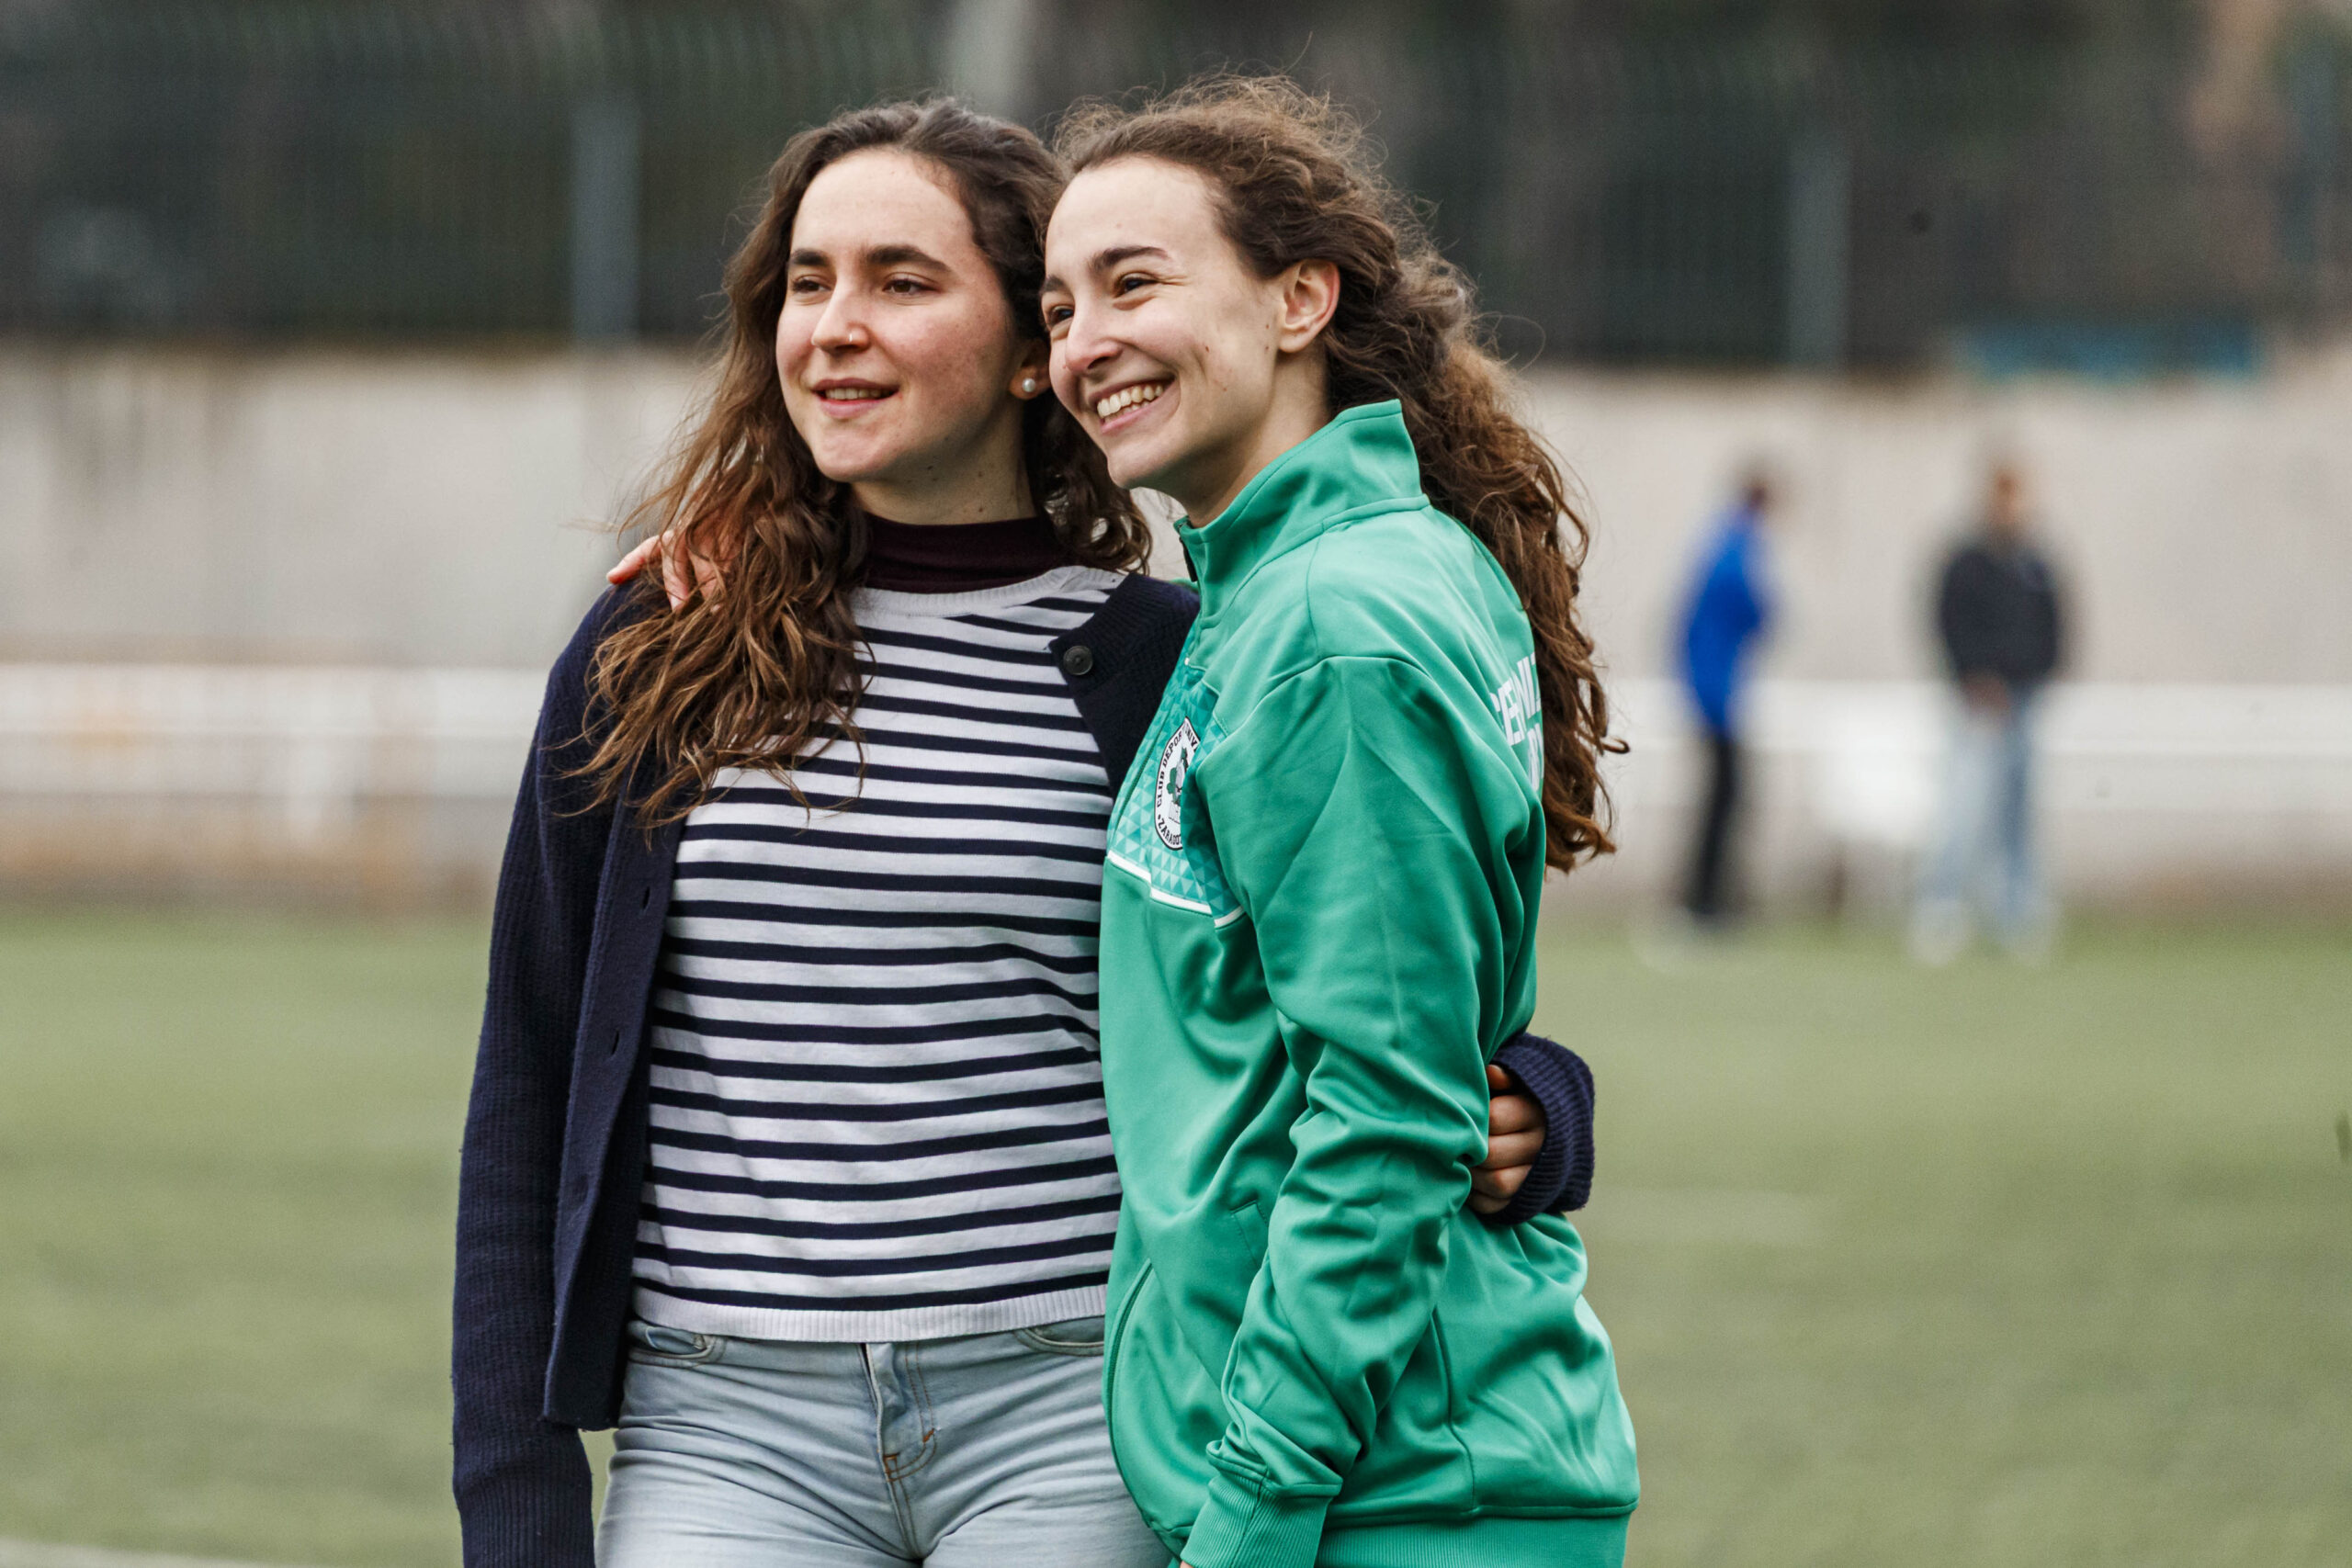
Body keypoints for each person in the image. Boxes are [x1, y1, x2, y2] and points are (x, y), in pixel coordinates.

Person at [452, 99, 1597, 1568]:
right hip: (723, 1423)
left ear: (1023, 353)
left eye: (902, 282)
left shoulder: (1172, 654)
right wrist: (518, 1489)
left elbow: (1362, 986)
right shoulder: (660, 640)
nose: (835, 327)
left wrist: (1529, 1101)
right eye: (808, 282)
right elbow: (530, 1072)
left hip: (1073, 1413)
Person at [1038, 78, 1638, 1568]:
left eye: (1133, 282)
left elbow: (1386, 1112)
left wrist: (1251, 1506)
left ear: (1300, 297)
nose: (1085, 342)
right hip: (1386, 1476)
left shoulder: (1333, 628)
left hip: (1391, 1496)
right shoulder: (1298, 586)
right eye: (1055, 309)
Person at [1911, 459, 2066, 964]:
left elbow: (2055, 630)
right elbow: (1948, 624)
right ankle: (1942, 905)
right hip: (1977, 704)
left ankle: (2017, 911)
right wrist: (1974, 676)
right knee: (1964, 806)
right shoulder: (1967, 562)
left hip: (2023, 703)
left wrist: (2038, 678)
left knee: (2017, 812)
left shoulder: (2036, 564)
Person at [1674, 470, 1773, 927]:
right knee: (1723, 799)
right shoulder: (1737, 547)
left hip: (1715, 691)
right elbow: (1759, 610)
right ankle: (1703, 902)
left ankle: (1710, 898)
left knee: (1722, 797)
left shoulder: (1724, 541)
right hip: (1718, 696)